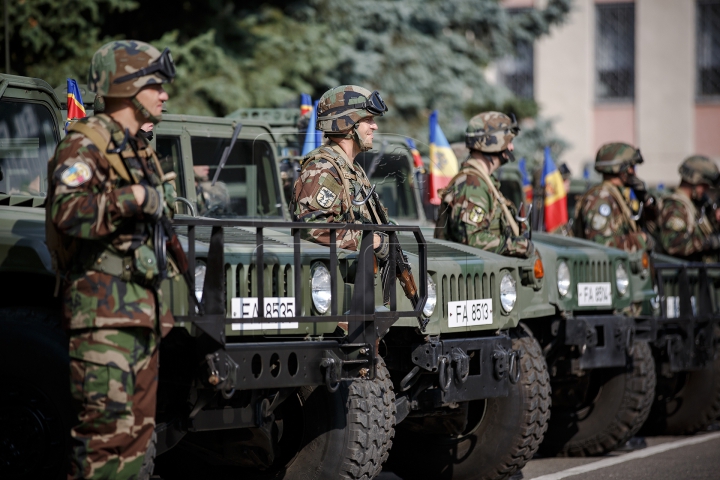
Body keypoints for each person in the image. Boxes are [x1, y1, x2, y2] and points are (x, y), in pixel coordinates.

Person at [46, 40, 177, 479]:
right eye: (155, 85)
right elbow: (67, 213)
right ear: (125, 85)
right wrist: (134, 197)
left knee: (135, 445)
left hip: (141, 316)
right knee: (103, 445)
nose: (164, 95)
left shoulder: (138, 150)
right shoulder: (84, 147)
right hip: (102, 317)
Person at [292, 85, 390, 260]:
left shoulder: (351, 168)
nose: (374, 126)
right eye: (368, 119)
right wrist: (369, 241)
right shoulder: (322, 169)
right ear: (348, 123)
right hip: (337, 281)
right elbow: (312, 230)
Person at [435, 111, 534, 258]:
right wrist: (519, 246)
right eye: (509, 141)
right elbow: (472, 238)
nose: (511, 147)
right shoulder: (473, 185)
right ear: (491, 142)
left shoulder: (483, 181)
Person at [572, 142, 653, 252]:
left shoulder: (618, 196)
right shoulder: (600, 199)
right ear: (621, 169)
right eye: (631, 167)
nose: (634, 172)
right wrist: (640, 239)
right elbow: (600, 244)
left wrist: (647, 201)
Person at [656, 155, 720, 262]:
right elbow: (673, 243)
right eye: (704, 184)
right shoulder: (674, 206)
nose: (707, 189)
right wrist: (709, 242)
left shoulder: (698, 205)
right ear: (693, 181)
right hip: (687, 275)